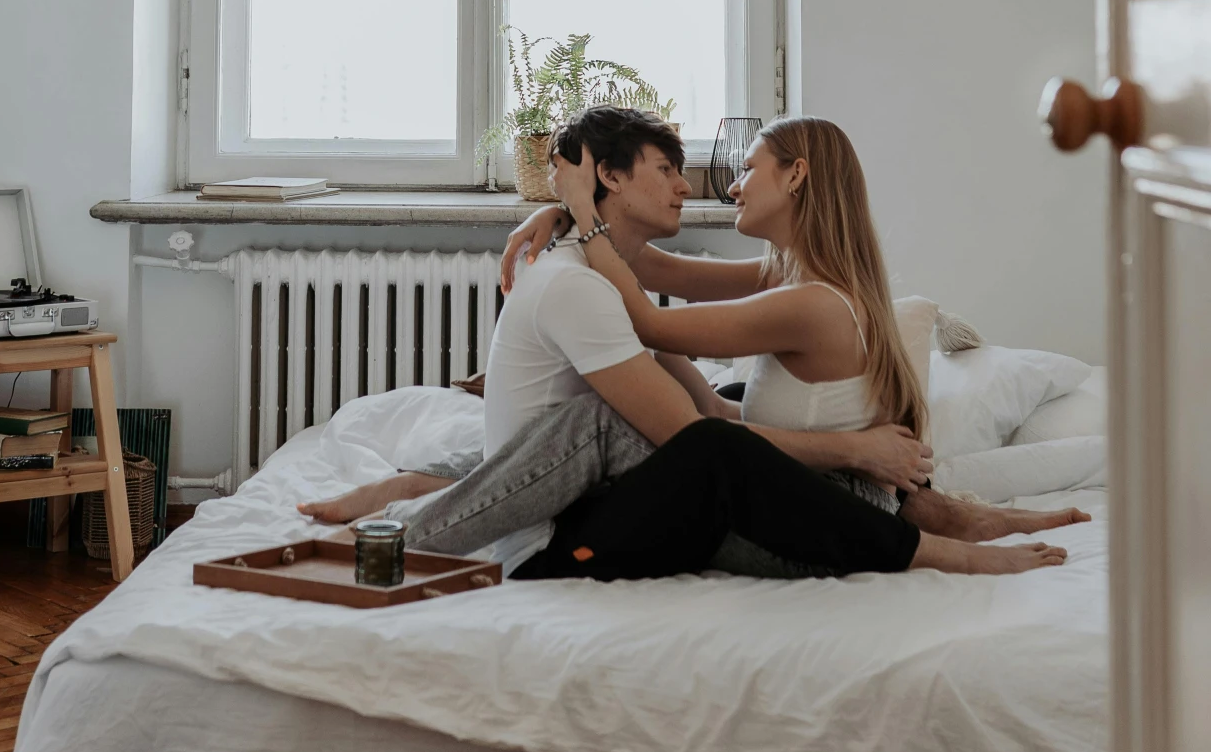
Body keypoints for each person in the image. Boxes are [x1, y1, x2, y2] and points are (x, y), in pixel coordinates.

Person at [301, 108, 1076, 579]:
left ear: (797, 175)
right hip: (810, 496)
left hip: (814, 518)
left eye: (746, 170)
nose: (719, 186)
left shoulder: (806, 297)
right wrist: (562, 218)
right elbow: (653, 271)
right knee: (702, 403)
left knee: (656, 424)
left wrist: (579, 207)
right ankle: (412, 489)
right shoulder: (788, 270)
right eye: (670, 169)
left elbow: (650, 317)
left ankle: (402, 537)